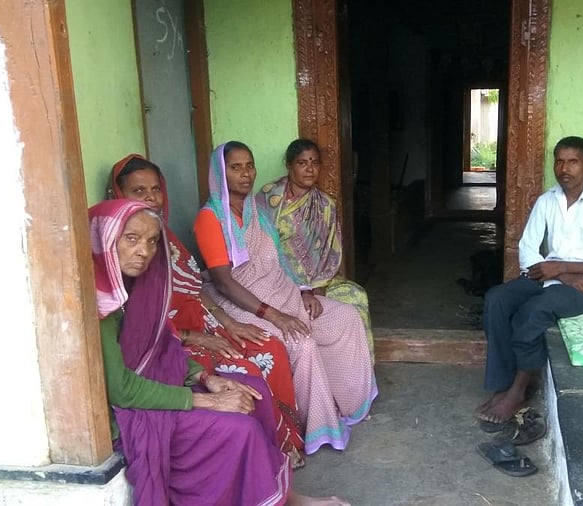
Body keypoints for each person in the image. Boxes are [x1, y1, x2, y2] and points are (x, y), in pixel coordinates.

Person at [89, 198, 348, 506]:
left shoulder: (136, 289)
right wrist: (208, 400)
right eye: (131, 239)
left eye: (152, 241)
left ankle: (281, 496)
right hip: (131, 414)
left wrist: (206, 377)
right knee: (239, 428)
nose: (144, 251)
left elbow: (163, 347)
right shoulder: (98, 306)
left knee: (254, 393)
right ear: (104, 240)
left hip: (157, 385)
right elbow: (122, 391)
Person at [107, 154, 305, 468]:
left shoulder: (164, 239)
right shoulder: (123, 251)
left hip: (203, 321)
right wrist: (192, 336)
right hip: (172, 341)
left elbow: (195, 288)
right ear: (117, 195)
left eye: (155, 190)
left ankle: (286, 440)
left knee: (270, 346)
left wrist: (228, 323)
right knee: (248, 370)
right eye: (139, 191)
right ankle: (268, 454)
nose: (150, 198)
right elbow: (136, 328)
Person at [194, 141, 377, 455]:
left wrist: (304, 292)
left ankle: (347, 404)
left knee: (345, 317)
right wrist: (276, 316)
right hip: (243, 304)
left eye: (249, 165)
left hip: (282, 293)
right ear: (220, 173)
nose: (245, 173)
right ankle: (315, 425)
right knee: (301, 341)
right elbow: (224, 283)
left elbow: (280, 260)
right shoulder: (210, 218)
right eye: (235, 167)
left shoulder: (258, 210)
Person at [476, 136, 583, 423]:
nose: (565, 168)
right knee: (497, 299)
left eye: (573, 162)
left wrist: (566, 270)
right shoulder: (547, 200)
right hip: (549, 275)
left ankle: (518, 391)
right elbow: (527, 248)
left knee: (532, 312)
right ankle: (503, 383)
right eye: (559, 161)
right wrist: (561, 272)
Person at [257, 139, 374, 357]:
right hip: (276, 280)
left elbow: (331, 252)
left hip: (317, 281)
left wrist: (315, 288)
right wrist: (297, 289)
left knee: (356, 296)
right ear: (289, 165)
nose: (310, 169)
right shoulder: (268, 197)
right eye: (303, 163)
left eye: (315, 163)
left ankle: (357, 376)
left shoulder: (325, 204)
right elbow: (258, 245)